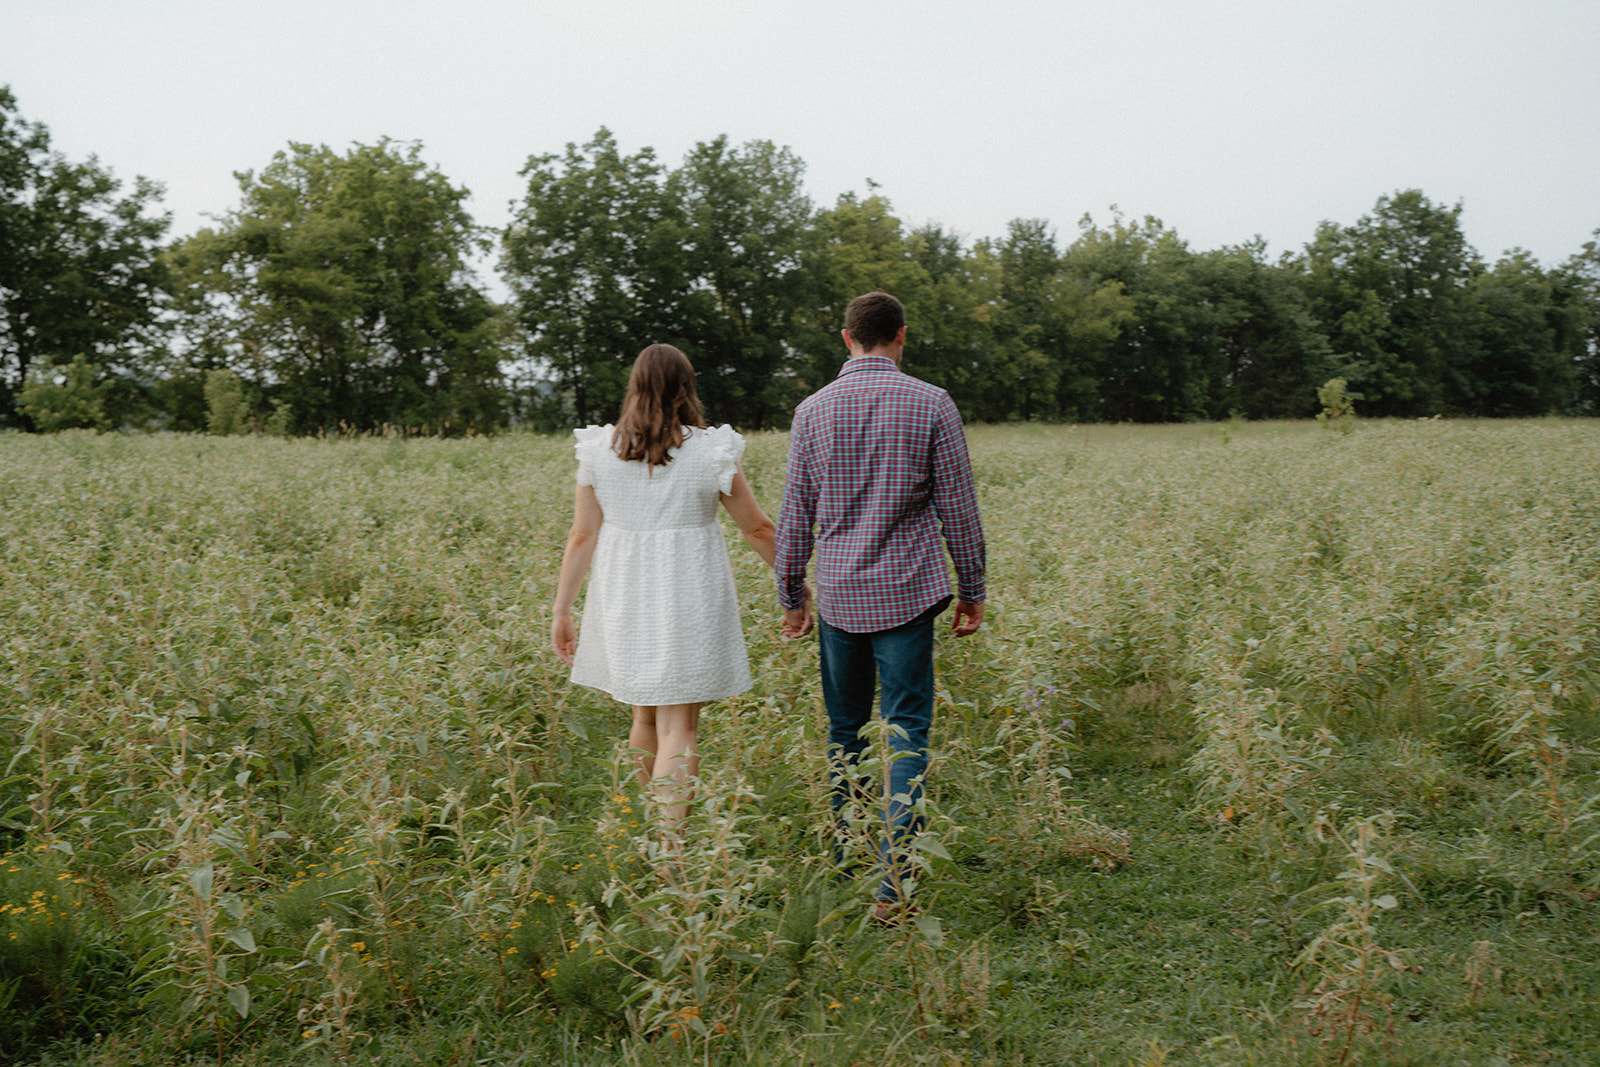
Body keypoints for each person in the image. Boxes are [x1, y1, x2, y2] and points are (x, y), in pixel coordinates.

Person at [775, 290, 986, 919]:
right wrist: (972, 587)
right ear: (901, 335)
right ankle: (895, 883)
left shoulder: (811, 412)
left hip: (839, 595)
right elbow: (960, 509)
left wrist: (792, 594)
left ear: (847, 338)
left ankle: (848, 847)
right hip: (908, 592)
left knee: (846, 728)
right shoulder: (932, 404)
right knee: (905, 730)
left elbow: (794, 516)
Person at [552, 343, 787, 840]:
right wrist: (795, 584)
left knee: (644, 713)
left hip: (624, 590)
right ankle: (670, 852)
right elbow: (758, 528)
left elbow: (582, 535)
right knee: (679, 725)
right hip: (690, 590)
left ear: (634, 387)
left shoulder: (601, 451)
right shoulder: (710, 450)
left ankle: (651, 833)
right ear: (687, 387)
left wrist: (562, 611)